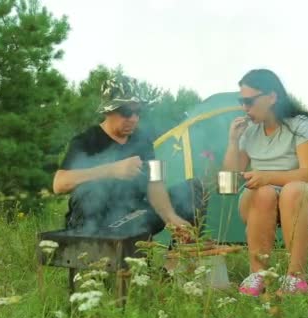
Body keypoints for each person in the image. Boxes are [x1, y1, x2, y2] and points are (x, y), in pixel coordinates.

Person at [223, 69, 308, 296]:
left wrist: (268, 176)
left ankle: (296, 279)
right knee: (263, 192)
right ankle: (258, 275)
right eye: (241, 101)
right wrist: (233, 142)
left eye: (249, 101)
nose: (245, 108)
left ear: (271, 97)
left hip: (306, 199)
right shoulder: (249, 132)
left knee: (291, 191)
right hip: (260, 203)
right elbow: (228, 184)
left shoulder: (301, 125)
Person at [53, 75, 204, 238]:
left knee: (192, 188)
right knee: (91, 190)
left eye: (137, 112)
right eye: (126, 112)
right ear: (108, 110)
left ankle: (175, 261)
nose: (133, 119)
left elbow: (155, 182)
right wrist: (112, 169)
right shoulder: (86, 141)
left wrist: (170, 217)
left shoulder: (143, 141)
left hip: (132, 217)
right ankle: (98, 257)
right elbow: (59, 184)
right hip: (93, 226)